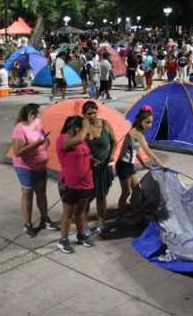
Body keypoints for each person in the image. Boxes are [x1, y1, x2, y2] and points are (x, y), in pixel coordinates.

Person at [11, 104, 55, 237]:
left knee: (42, 192)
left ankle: (44, 218)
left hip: (40, 166)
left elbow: (42, 140)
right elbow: (17, 151)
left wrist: (46, 141)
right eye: (36, 115)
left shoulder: (37, 125)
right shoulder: (19, 129)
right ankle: (28, 224)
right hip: (26, 168)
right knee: (27, 194)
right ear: (29, 115)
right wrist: (37, 144)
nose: (38, 117)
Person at [116, 106, 165, 222]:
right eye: (147, 122)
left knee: (137, 189)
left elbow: (134, 150)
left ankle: (133, 211)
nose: (150, 125)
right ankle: (120, 216)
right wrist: (161, 164)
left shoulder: (138, 132)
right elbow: (148, 151)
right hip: (123, 165)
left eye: (151, 122)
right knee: (126, 192)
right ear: (140, 121)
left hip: (129, 165)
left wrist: (143, 163)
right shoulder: (136, 133)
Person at [56, 115, 96, 253]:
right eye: (81, 128)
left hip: (86, 183)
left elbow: (84, 152)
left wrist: (91, 160)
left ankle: (81, 235)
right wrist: (85, 126)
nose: (84, 131)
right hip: (70, 183)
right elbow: (78, 139)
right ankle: (63, 240)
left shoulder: (82, 139)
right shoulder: (63, 139)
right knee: (68, 213)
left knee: (80, 211)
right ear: (74, 127)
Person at [81, 101, 115, 235]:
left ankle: (101, 222)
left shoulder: (106, 124)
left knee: (102, 196)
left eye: (94, 112)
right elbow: (79, 149)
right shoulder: (83, 128)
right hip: (89, 169)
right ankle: (84, 224)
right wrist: (89, 158)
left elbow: (114, 141)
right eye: (89, 113)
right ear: (83, 114)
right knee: (87, 198)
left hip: (104, 167)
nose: (92, 115)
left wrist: (111, 155)